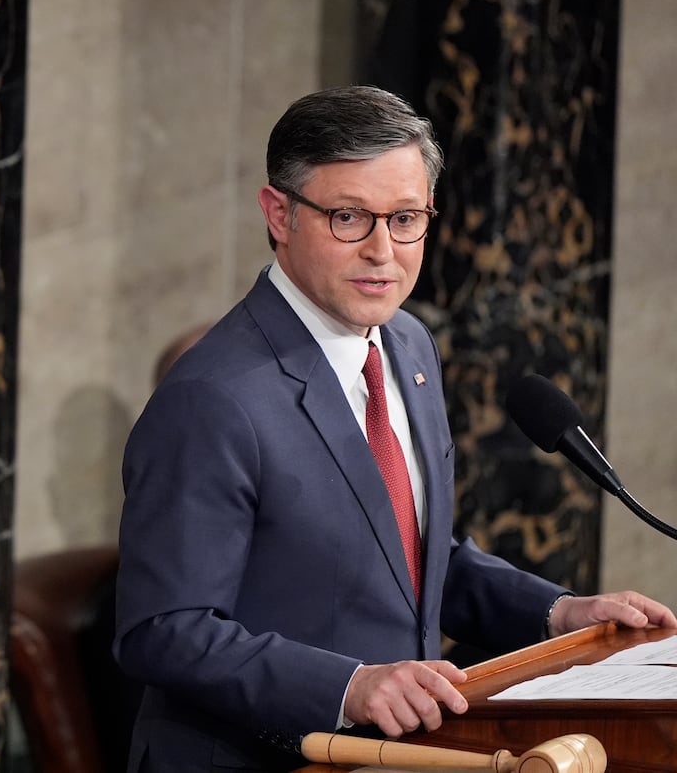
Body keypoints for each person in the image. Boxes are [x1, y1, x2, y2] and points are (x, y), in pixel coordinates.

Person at [113, 85, 675, 773]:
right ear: (278, 213)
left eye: (406, 218)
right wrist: (351, 685)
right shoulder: (212, 397)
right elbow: (162, 631)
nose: (384, 250)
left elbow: (413, 557)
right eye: (350, 216)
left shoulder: (406, 344)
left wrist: (556, 612)